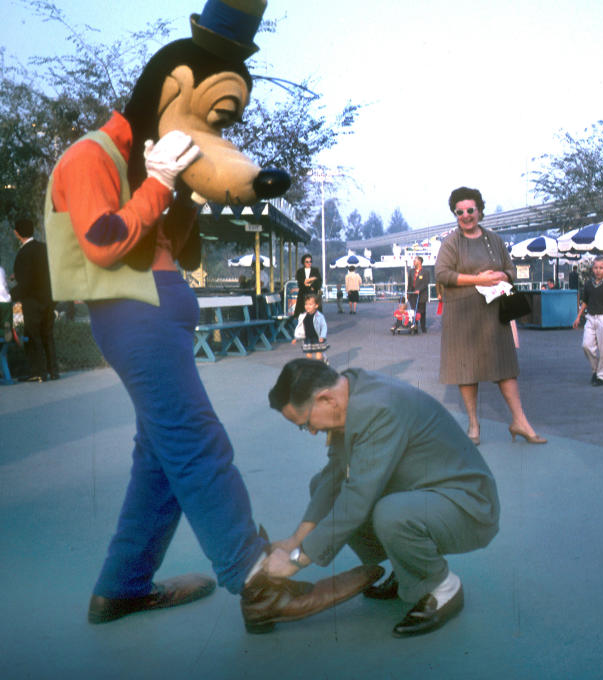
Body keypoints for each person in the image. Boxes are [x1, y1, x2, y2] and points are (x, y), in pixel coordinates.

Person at [42, 4, 376, 631]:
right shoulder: (87, 159)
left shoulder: (147, 166)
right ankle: (256, 582)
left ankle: (122, 586)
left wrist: (180, 191)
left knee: (160, 460)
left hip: (157, 315)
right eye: (215, 116)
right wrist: (159, 181)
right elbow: (105, 240)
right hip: (132, 315)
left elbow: (182, 249)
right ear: (173, 90)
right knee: (197, 443)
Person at [266, 359, 500, 638]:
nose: (312, 432)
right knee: (322, 485)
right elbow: (333, 477)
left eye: (305, 424)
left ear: (325, 398)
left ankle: (444, 588)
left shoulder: (378, 409)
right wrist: (296, 540)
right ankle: (408, 572)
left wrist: (296, 560)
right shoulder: (349, 392)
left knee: (389, 513)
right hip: (428, 491)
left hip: (469, 505)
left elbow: (356, 500)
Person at [434, 186, 545, 445]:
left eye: (470, 210)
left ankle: (520, 422)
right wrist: (478, 280)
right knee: (466, 371)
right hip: (462, 317)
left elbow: (510, 269)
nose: (465, 215)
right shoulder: (451, 243)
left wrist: (502, 276)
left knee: (505, 368)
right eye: (459, 212)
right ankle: (474, 425)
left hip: (494, 314)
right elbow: (442, 274)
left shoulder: (494, 239)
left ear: (480, 211)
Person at [11, 219, 58, 382]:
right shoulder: (43, 249)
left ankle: (38, 372)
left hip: (32, 301)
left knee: (33, 336)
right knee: (48, 335)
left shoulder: (23, 254)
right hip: (47, 298)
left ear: (17, 233)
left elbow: (26, 282)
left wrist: (12, 294)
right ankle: (54, 371)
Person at [572, 257, 603, 386]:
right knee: (586, 345)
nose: (598, 271)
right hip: (591, 318)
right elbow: (585, 302)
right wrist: (578, 317)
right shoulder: (588, 284)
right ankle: (596, 369)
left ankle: (602, 376)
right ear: (592, 269)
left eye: (601, 268)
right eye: (596, 268)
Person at [292, 293, 328, 361]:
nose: (307, 306)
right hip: (307, 338)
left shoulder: (319, 316)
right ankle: (311, 366)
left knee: (318, 356)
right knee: (308, 356)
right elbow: (300, 328)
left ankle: (321, 363)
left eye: (310, 304)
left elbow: (324, 326)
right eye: (306, 304)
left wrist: (322, 336)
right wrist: (297, 338)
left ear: (316, 305)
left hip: (317, 338)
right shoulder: (303, 316)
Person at [407, 255, 429, 333]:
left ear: (419, 262)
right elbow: (409, 283)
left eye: (415, 261)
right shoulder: (411, 271)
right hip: (412, 294)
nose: (413, 262)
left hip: (422, 295)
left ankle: (423, 327)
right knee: (414, 311)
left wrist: (419, 290)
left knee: (422, 312)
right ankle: (415, 326)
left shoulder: (425, 272)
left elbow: (426, 283)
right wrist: (408, 293)